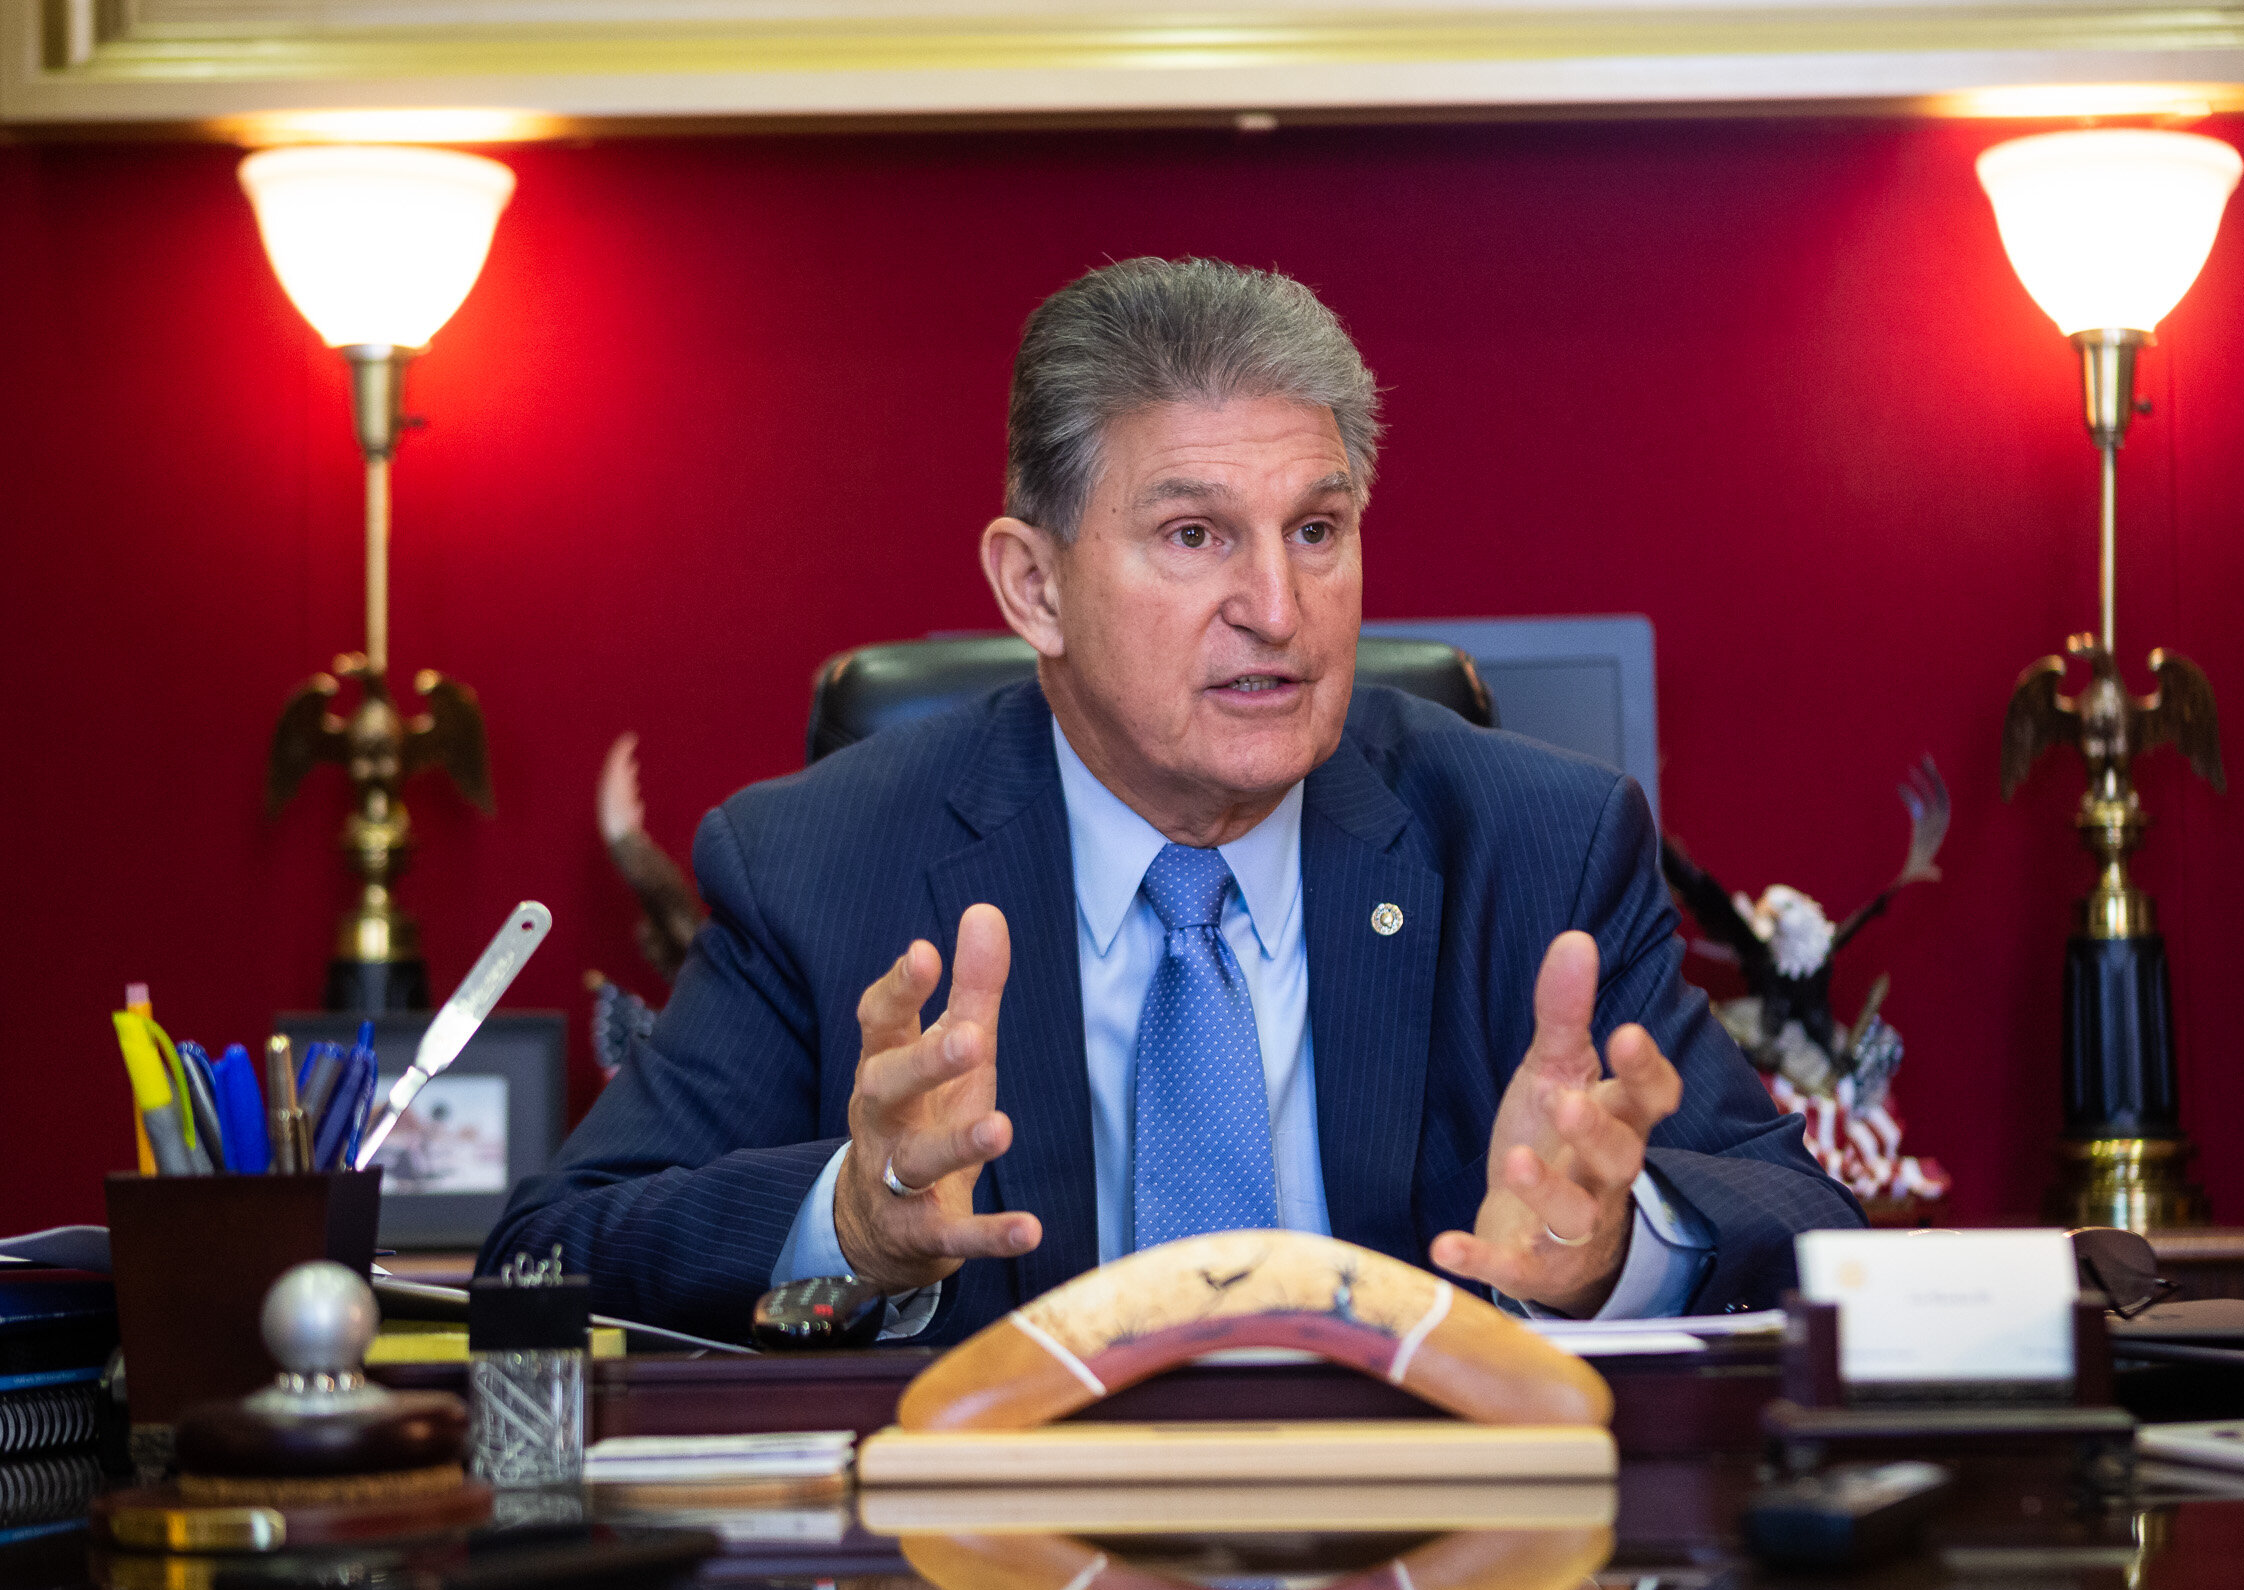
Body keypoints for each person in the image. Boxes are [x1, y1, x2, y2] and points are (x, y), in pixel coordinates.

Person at [482, 257, 1861, 1343]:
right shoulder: (825, 863)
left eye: (1316, 531)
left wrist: (1612, 1246)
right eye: (1195, 536)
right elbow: (546, 1251)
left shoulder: (1536, 852)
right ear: (1034, 587)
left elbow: (1810, 1225)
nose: (1278, 609)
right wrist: (853, 1219)